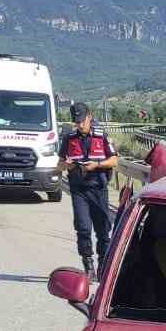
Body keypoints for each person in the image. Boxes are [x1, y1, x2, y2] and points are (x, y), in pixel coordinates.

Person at [56, 101, 117, 279]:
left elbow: (114, 160)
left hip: (98, 188)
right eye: (76, 121)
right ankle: (88, 265)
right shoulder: (69, 138)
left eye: (82, 120)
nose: (79, 124)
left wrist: (97, 165)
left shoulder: (101, 136)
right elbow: (58, 165)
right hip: (79, 190)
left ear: (89, 116)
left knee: (103, 230)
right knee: (83, 228)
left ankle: (103, 265)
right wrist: (65, 165)